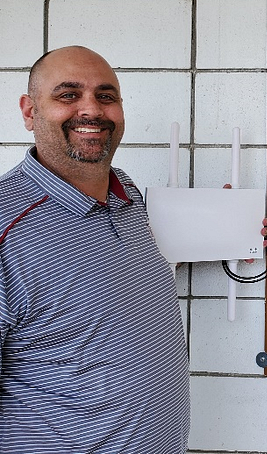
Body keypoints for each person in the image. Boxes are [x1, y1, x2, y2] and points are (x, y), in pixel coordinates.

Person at [0, 46, 190, 453]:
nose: (92, 110)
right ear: (29, 111)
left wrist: (229, 226)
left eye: (106, 97)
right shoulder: (6, 227)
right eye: (68, 95)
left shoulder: (127, 196)